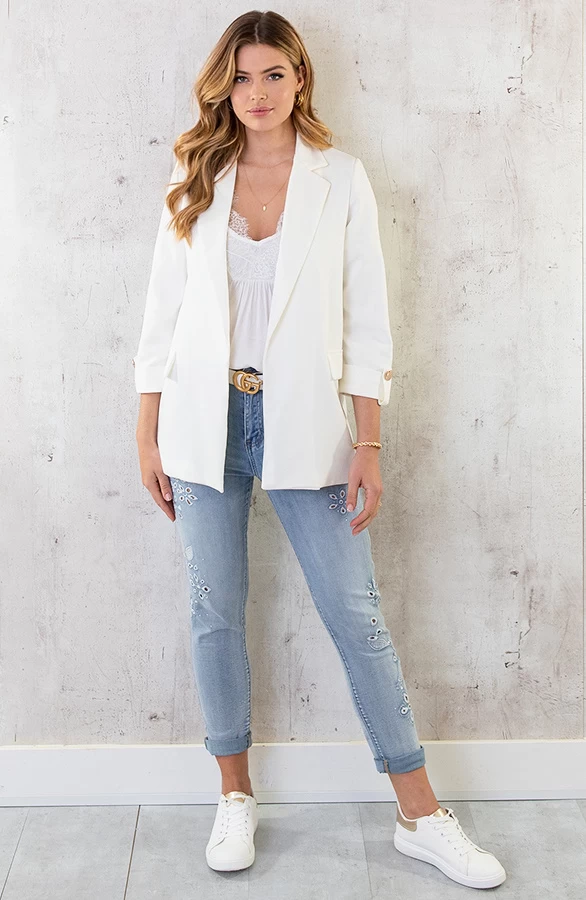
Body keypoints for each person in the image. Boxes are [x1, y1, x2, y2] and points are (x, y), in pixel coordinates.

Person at [133, 9, 506, 890]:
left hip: (306, 422)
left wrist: (368, 440)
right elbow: (162, 312)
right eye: (241, 77)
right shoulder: (196, 174)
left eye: (273, 74)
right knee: (214, 612)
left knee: (356, 616)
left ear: (300, 78)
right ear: (223, 86)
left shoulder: (341, 179)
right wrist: (146, 429)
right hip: (202, 421)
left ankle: (420, 814)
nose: (257, 92)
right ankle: (234, 795)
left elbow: (367, 321)